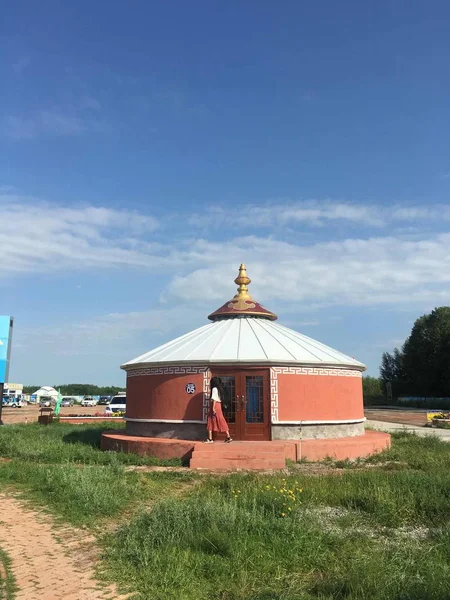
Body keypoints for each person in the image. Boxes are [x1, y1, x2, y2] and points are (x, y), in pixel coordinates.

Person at [205, 376, 232, 443]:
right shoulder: (219, 389)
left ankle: (210, 438)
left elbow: (214, 399)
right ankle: (228, 436)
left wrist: (213, 407)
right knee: (220, 419)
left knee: (210, 420)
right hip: (218, 405)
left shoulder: (214, 389)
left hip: (215, 405)